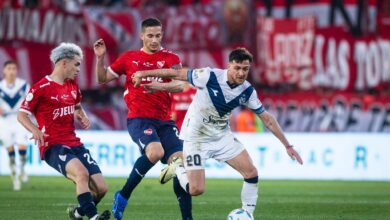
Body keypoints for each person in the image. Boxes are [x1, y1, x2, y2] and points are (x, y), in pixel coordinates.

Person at [132, 47, 303, 216]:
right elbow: (177, 74)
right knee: (196, 189)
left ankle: (247, 214)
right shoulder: (209, 76)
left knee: (251, 172)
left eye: (245, 69)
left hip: (221, 137)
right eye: (237, 68)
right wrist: (144, 74)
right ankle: (178, 168)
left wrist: (287, 145)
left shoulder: (247, 91)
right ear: (229, 66)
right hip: (196, 138)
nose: (241, 73)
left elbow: (267, 119)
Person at [93, 17, 192, 220]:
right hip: (139, 119)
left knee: (180, 164)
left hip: (165, 121)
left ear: (162, 35)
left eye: (158, 35)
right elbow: (102, 79)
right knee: (155, 152)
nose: (154, 40)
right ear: (142, 36)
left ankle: (187, 218)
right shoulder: (129, 58)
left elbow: (179, 85)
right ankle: (124, 195)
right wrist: (100, 58)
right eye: (150, 36)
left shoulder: (171, 58)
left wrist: (156, 86)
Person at [17, 42, 110, 220]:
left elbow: (77, 106)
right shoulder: (41, 88)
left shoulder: (72, 85)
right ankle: (92, 217)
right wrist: (35, 129)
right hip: (53, 145)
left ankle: (77, 213)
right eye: (76, 64)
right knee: (81, 174)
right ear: (63, 63)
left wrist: (81, 115)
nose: (78, 69)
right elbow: (21, 115)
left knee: (101, 188)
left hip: (74, 142)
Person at [0, 60, 30, 191]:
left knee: (22, 150)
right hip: (4, 121)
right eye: (9, 69)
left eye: (13, 68)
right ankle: (15, 179)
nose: (11, 71)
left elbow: (31, 101)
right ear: (4, 71)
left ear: (16, 71)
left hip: (19, 120)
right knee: (10, 153)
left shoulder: (23, 85)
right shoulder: (0, 86)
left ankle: (22, 168)